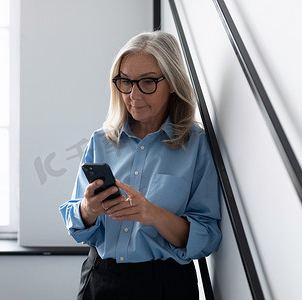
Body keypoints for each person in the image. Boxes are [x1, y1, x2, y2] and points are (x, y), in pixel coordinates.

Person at [59, 31, 221, 300]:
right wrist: (88, 209)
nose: (133, 94)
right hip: (100, 280)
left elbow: (207, 235)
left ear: (171, 83)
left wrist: (152, 214)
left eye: (147, 82)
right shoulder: (101, 141)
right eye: (125, 82)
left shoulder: (197, 145)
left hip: (166, 285)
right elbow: (75, 223)